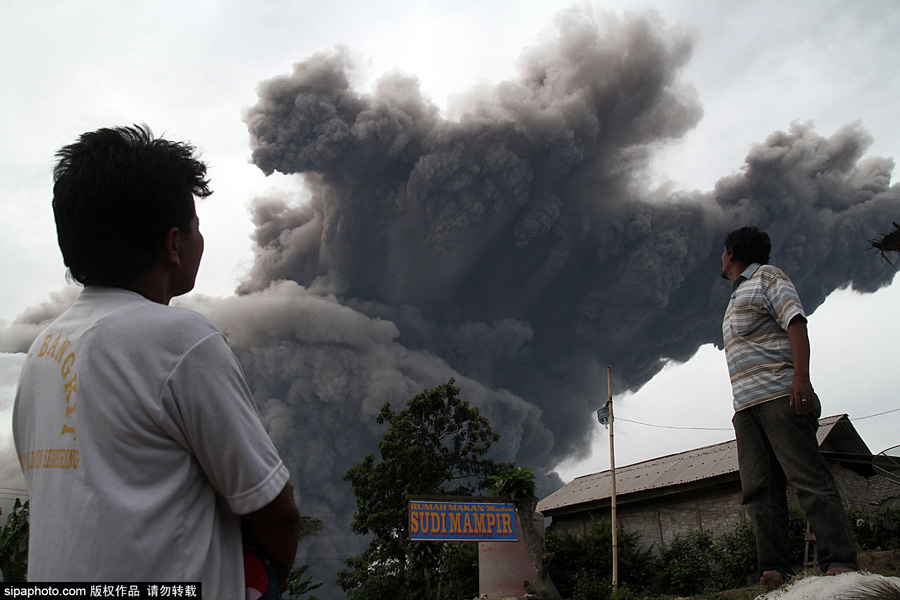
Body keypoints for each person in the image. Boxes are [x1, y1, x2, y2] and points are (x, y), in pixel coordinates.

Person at [13, 125, 300, 597]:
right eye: (196, 226)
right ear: (173, 244)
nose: (199, 239)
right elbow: (276, 510)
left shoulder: (41, 355)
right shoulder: (181, 341)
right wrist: (268, 581)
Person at [720, 226, 857, 590]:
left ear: (731, 253)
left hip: (781, 397)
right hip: (747, 408)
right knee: (759, 489)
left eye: (722, 252)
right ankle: (775, 568)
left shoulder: (769, 277)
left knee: (807, 478)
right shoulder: (736, 296)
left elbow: (796, 323)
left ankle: (839, 561)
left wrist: (801, 378)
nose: (721, 258)